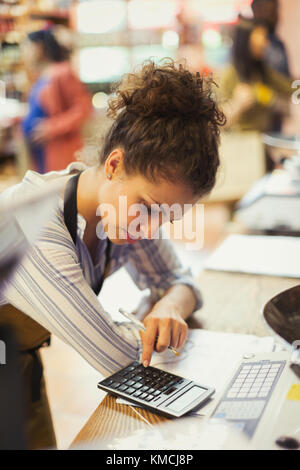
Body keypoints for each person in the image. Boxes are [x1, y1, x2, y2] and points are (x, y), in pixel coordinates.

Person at [0, 60, 225, 449]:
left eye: (167, 216)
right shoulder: (34, 225)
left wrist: (169, 307)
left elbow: (180, 281)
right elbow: (119, 356)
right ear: (114, 164)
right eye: (151, 207)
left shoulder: (121, 211)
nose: (151, 228)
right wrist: (156, 314)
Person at [22, 28, 92, 173]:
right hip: (43, 154)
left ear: (39, 48)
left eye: (26, 47)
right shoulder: (41, 76)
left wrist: (51, 128)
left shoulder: (63, 72)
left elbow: (83, 109)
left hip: (60, 152)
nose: (24, 53)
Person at [219, 19, 292, 133]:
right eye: (262, 36)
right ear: (246, 40)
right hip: (242, 142)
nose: (266, 43)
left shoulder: (262, 70)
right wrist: (237, 104)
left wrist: (271, 97)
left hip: (263, 137)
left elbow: (290, 87)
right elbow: (218, 121)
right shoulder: (229, 73)